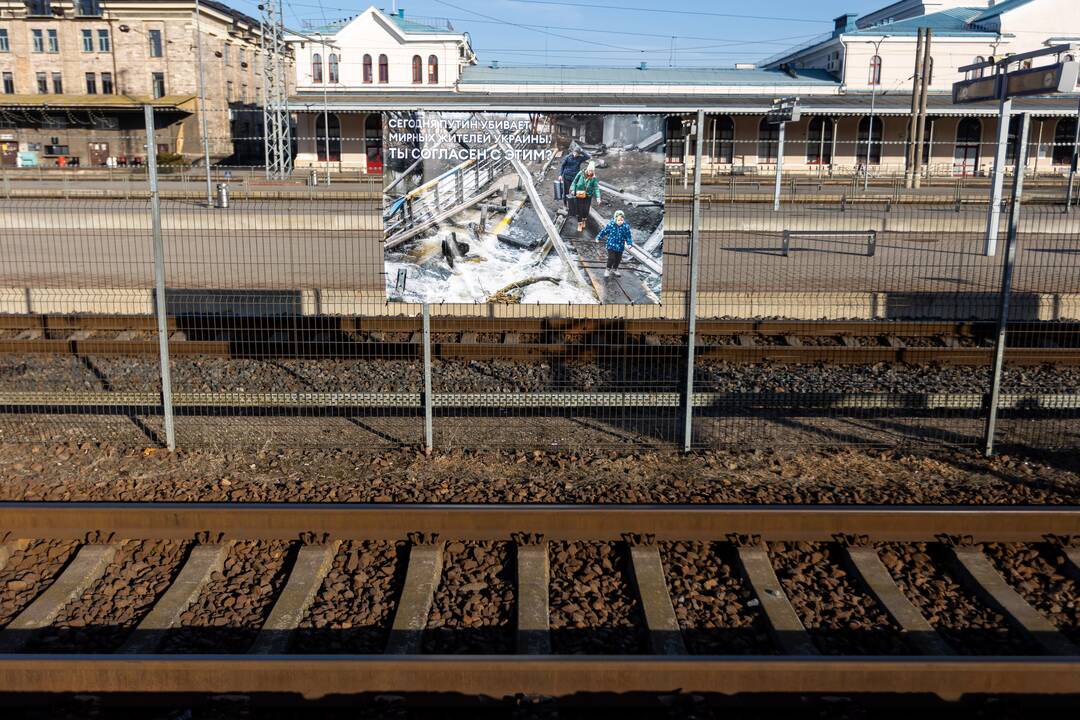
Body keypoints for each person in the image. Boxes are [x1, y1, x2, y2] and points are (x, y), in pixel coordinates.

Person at [596, 209, 633, 278]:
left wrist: (629, 243)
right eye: (618, 220)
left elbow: (628, 236)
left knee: (618, 259)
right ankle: (608, 269)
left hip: (620, 246)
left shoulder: (625, 227)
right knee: (611, 258)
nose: (620, 222)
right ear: (615, 219)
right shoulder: (611, 225)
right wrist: (598, 237)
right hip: (611, 245)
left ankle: (615, 269)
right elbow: (604, 231)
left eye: (622, 220)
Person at [569, 161, 601, 233]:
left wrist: (598, 198)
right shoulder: (580, 173)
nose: (590, 172)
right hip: (579, 195)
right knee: (580, 210)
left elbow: (596, 188)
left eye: (592, 171)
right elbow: (574, 182)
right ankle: (579, 223)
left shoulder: (594, 178)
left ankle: (584, 220)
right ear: (587, 169)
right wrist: (572, 190)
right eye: (590, 170)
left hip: (588, 196)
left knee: (586, 210)